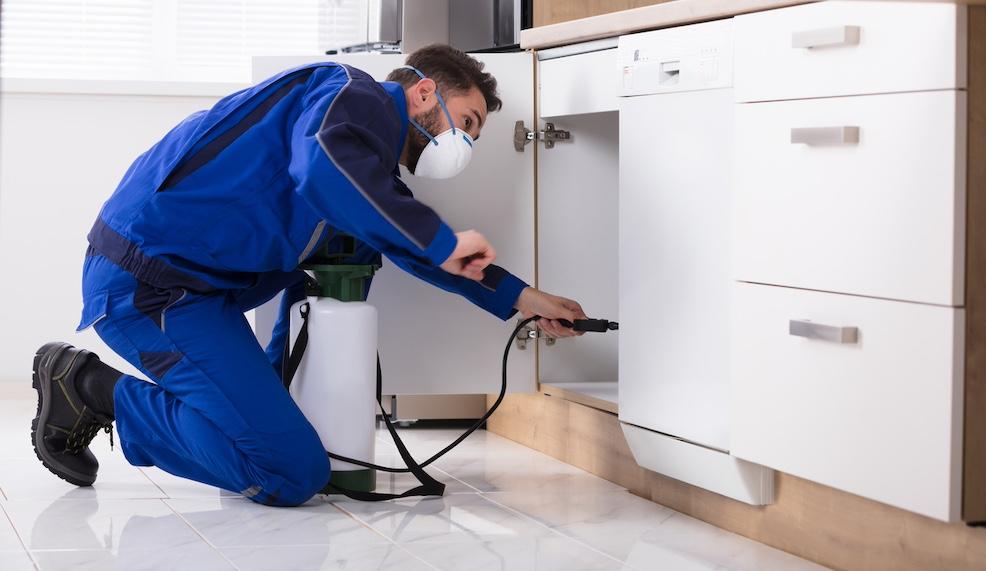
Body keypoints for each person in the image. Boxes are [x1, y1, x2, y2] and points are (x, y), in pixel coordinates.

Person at [29, 44, 587, 507]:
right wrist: (442, 240)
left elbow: (420, 253)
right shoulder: (351, 94)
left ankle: (269, 402)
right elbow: (323, 163)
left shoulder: (366, 174)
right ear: (422, 93)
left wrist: (526, 299)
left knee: (355, 246)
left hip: (201, 292)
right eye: (465, 123)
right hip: (146, 286)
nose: (463, 144)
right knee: (289, 472)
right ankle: (90, 388)